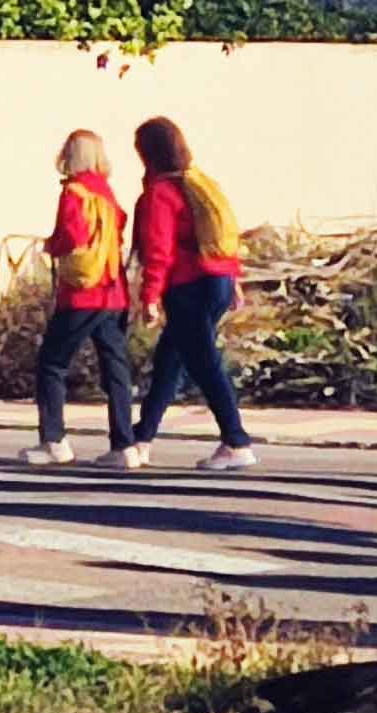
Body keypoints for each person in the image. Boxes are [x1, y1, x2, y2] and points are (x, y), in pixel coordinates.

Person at [127, 116, 257, 472]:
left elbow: (160, 250)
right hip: (217, 280)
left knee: (205, 364)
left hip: (189, 286)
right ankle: (141, 440)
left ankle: (236, 441)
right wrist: (233, 279)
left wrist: (150, 295)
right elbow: (221, 237)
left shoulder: (160, 193)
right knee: (170, 362)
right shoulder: (199, 185)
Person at [26, 129, 135, 466]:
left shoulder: (74, 192)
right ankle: (124, 445)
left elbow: (73, 236)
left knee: (52, 363)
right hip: (113, 290)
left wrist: (52, 245)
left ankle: (54, 440)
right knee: (115, 367)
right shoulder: (107, 192)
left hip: (82, 293)